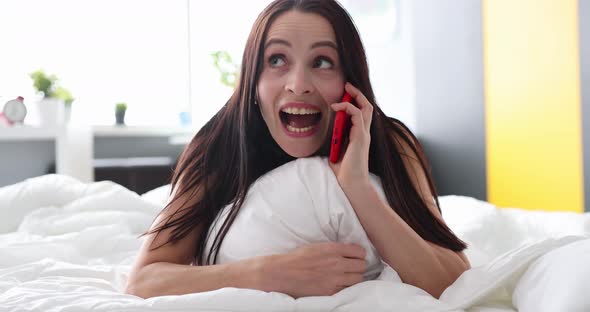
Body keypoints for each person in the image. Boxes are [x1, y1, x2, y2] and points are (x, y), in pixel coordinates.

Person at [125, 0, 470, 300]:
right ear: (253, 82)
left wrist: (358, 188)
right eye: (276, 60)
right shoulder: (219, 146)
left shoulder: (391, 142)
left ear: (351, 81)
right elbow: (143, 280)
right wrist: (267, 274)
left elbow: (453, 279)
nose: (299, 85)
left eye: (322, 62)